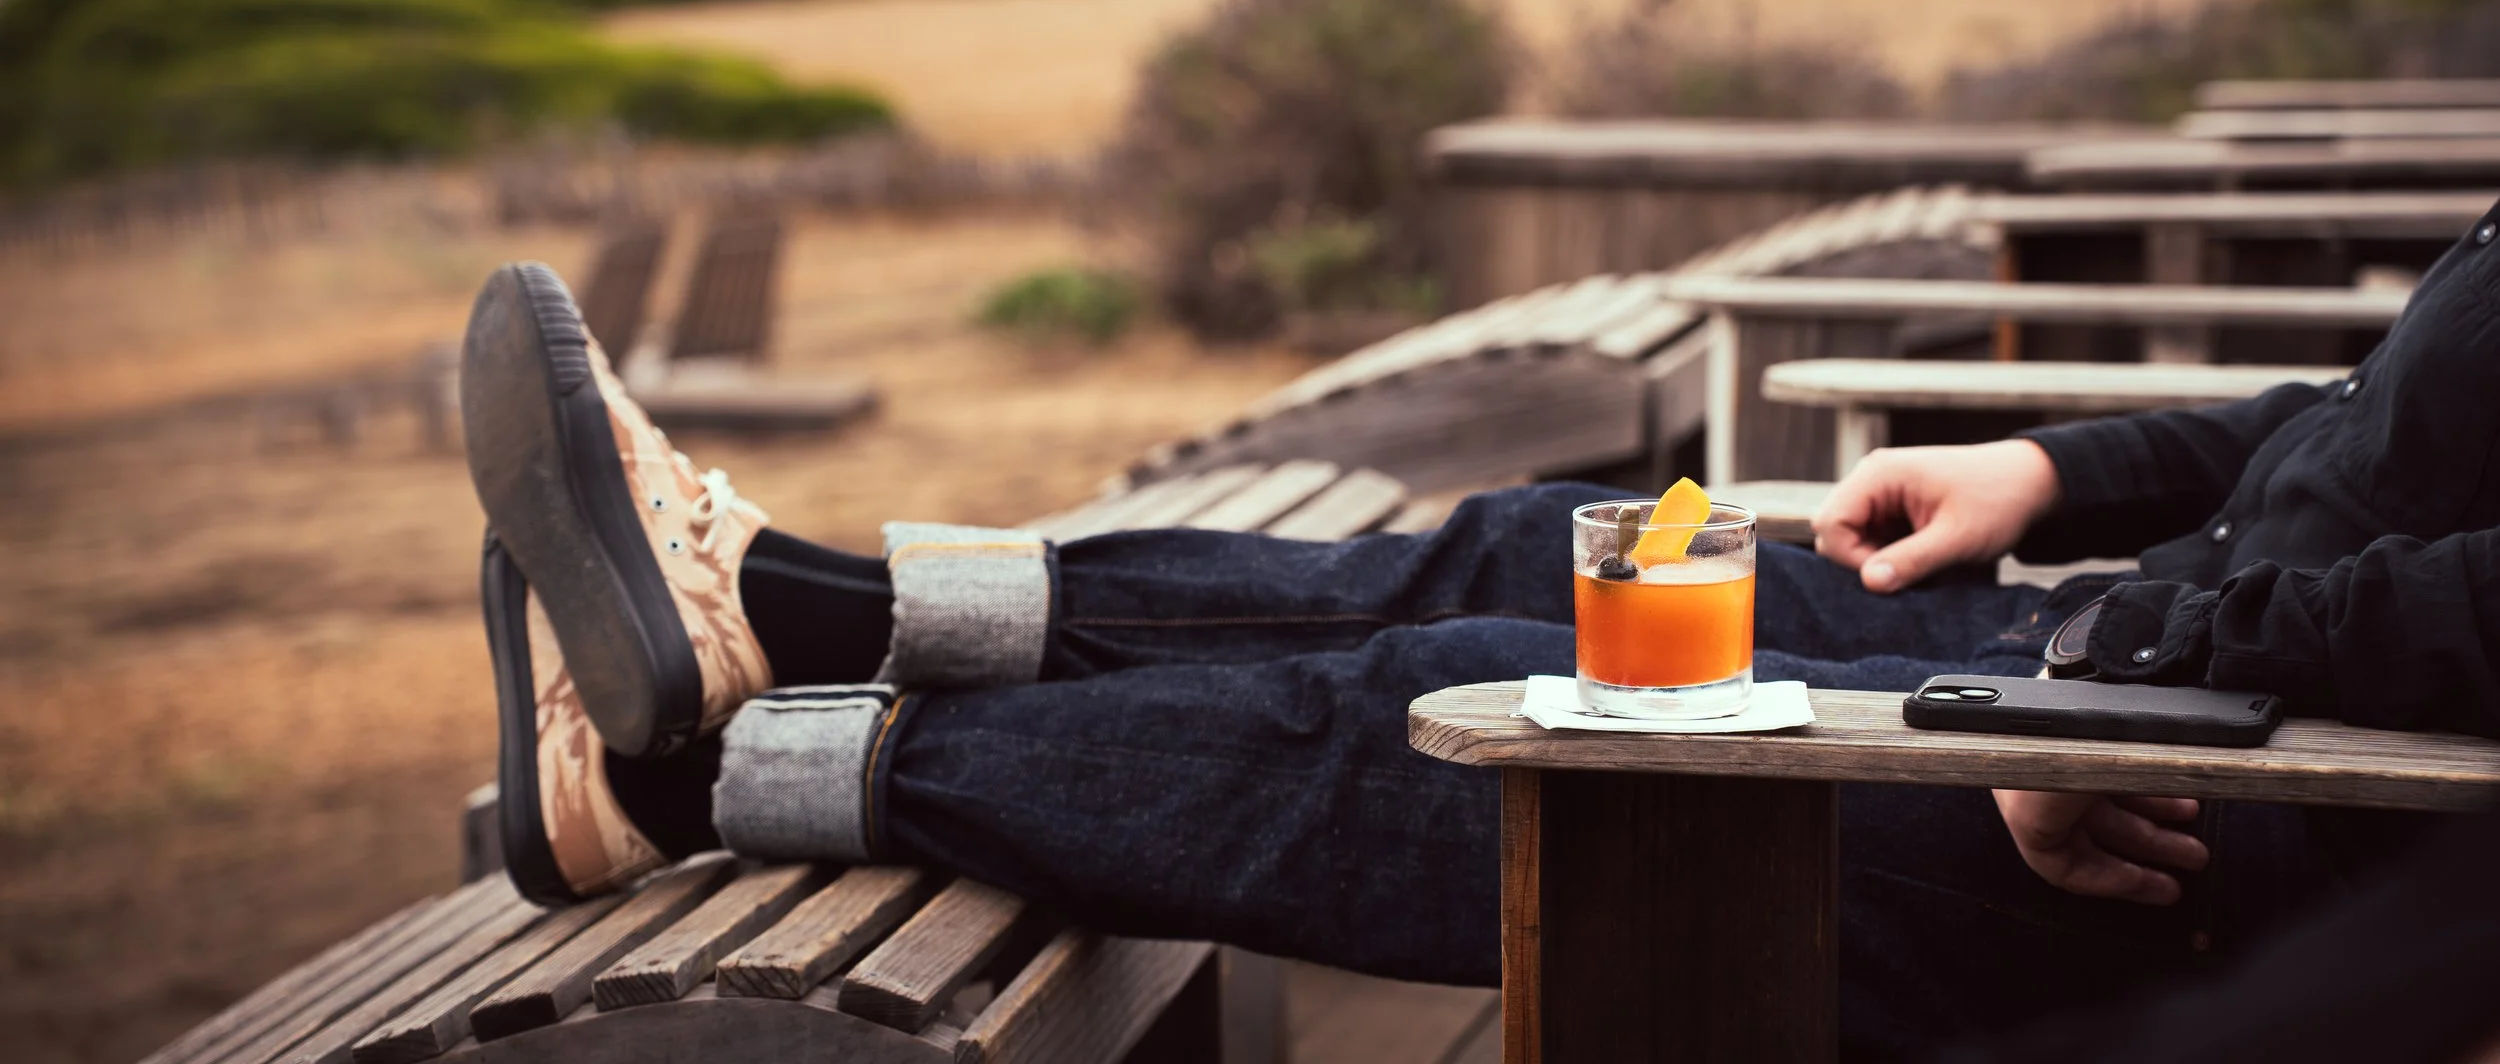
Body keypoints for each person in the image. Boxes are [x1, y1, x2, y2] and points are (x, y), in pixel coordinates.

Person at [458, 197, 2500, 1060]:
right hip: (2156, 627)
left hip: (2237, 794)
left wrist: (2121, 686)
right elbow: (2380, 421)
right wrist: (2065, 463)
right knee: (1531, 551)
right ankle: (793, 606)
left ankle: (682, 777)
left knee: (1476, 713)